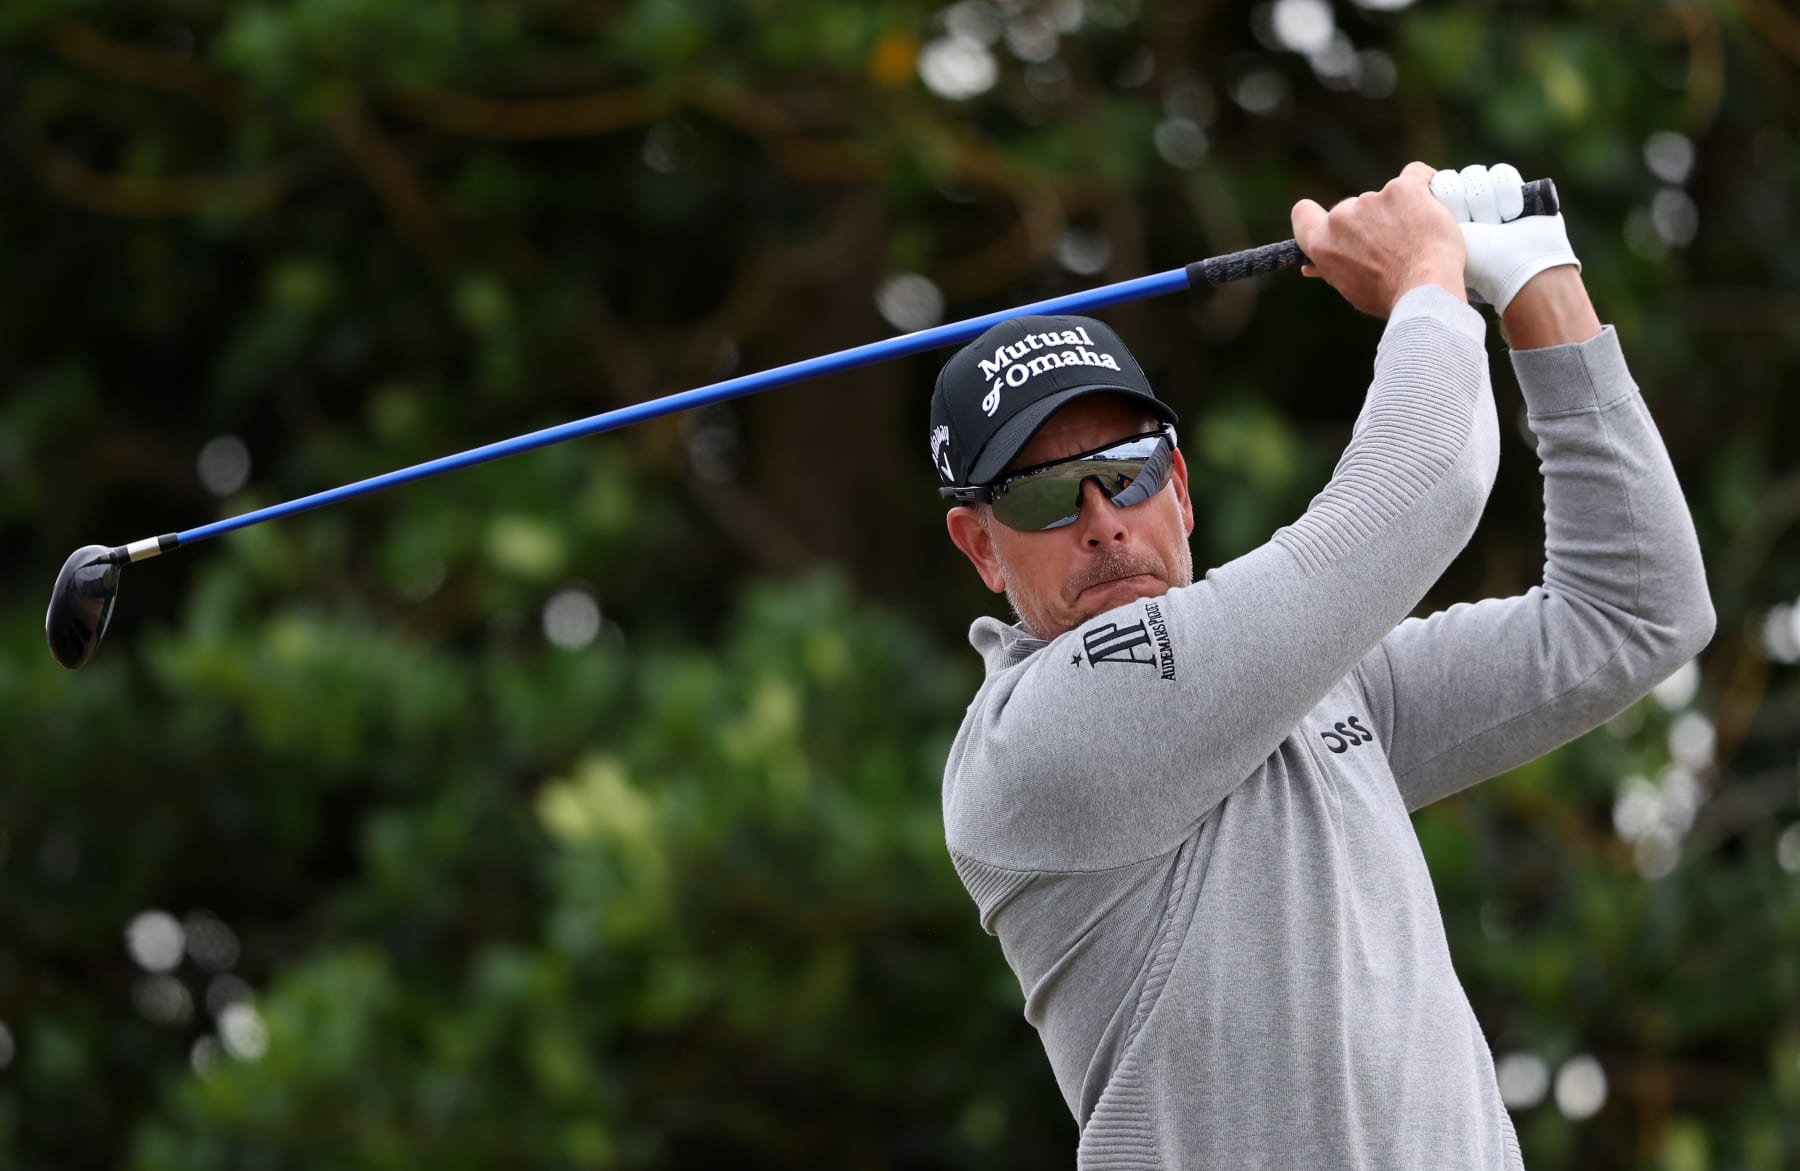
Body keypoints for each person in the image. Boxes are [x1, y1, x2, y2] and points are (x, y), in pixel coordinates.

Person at [929, 162, 1714, 1169]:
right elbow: (1428, 484)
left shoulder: (1322, 687)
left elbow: (1636, 612)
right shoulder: (1036, 746)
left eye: (1125, 473)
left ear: (1180, 489)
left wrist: (1536, 282)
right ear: (980, 545)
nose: (1103, 524)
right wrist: (1427, 276)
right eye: (1045, 495)